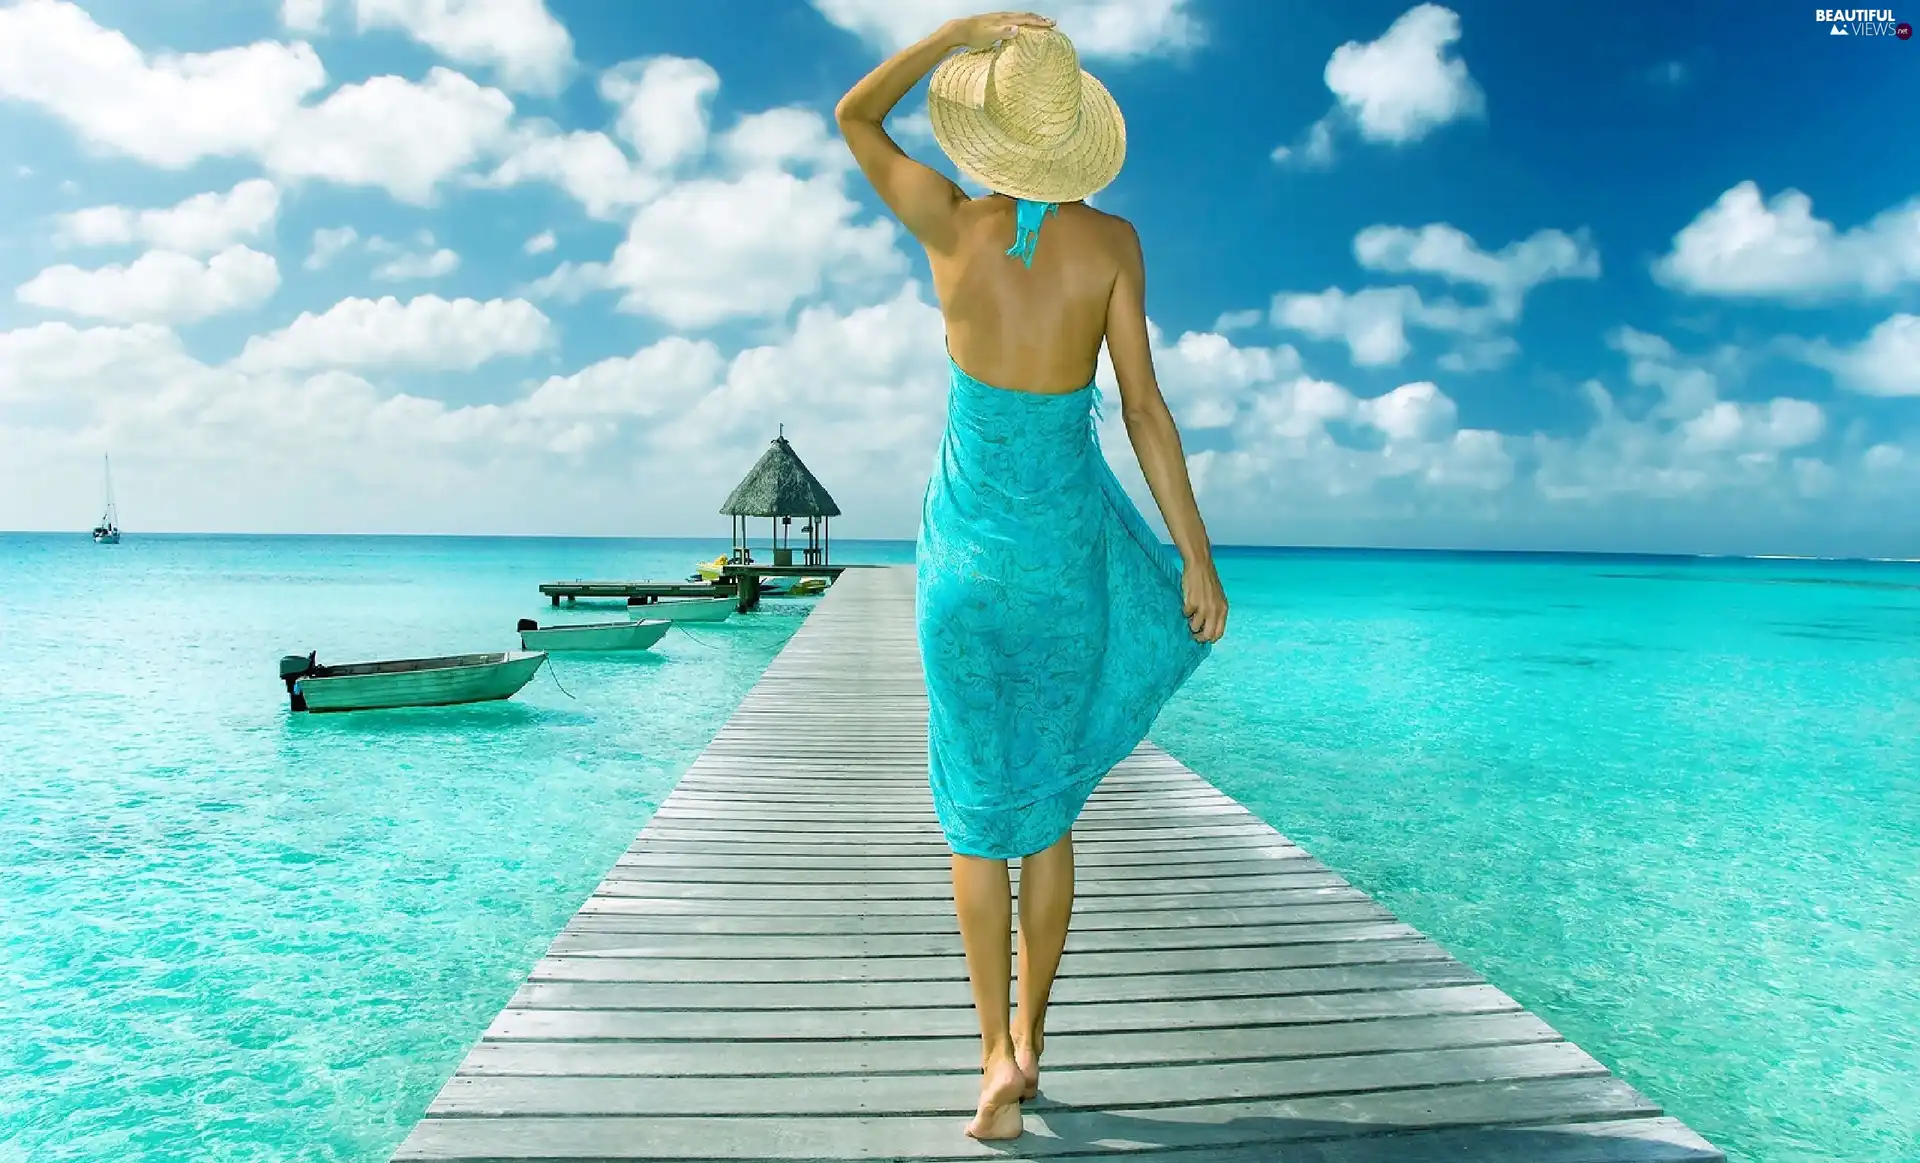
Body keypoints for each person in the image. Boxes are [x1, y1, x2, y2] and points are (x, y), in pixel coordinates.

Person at [835, 10, 1228, 1142]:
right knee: (1045, 813)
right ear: (1070, 140)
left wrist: (951, 31)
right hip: (1064, 571)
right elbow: (1145, 412)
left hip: (959, 568)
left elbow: (855, 114)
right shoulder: (1112, 245)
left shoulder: (947, 222)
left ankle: (990, 1056)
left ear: (988, 130)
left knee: (974, 816)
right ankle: (1036, 1045)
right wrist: (1193, 554)